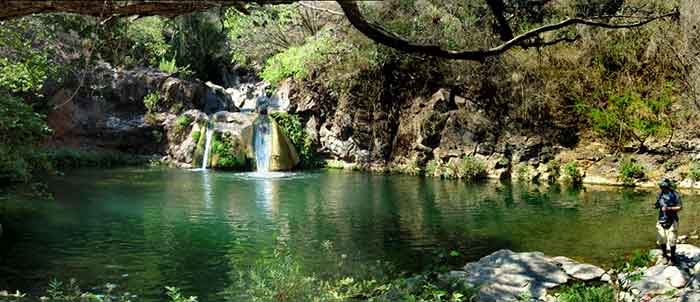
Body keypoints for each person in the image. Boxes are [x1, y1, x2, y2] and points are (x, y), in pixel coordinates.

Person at [654, 178, 683, 265]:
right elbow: (657, 204)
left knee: (672, 239)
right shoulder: (660, 194)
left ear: (669, 187)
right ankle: (664, 256)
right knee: (662, 238)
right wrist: (656, 206)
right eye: (661, 187)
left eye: (664, 187)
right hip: (661, 219)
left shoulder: (675, 195)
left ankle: (673, 257)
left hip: (672, 220)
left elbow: (680, 207)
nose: (663, 189)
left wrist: (669, 208)